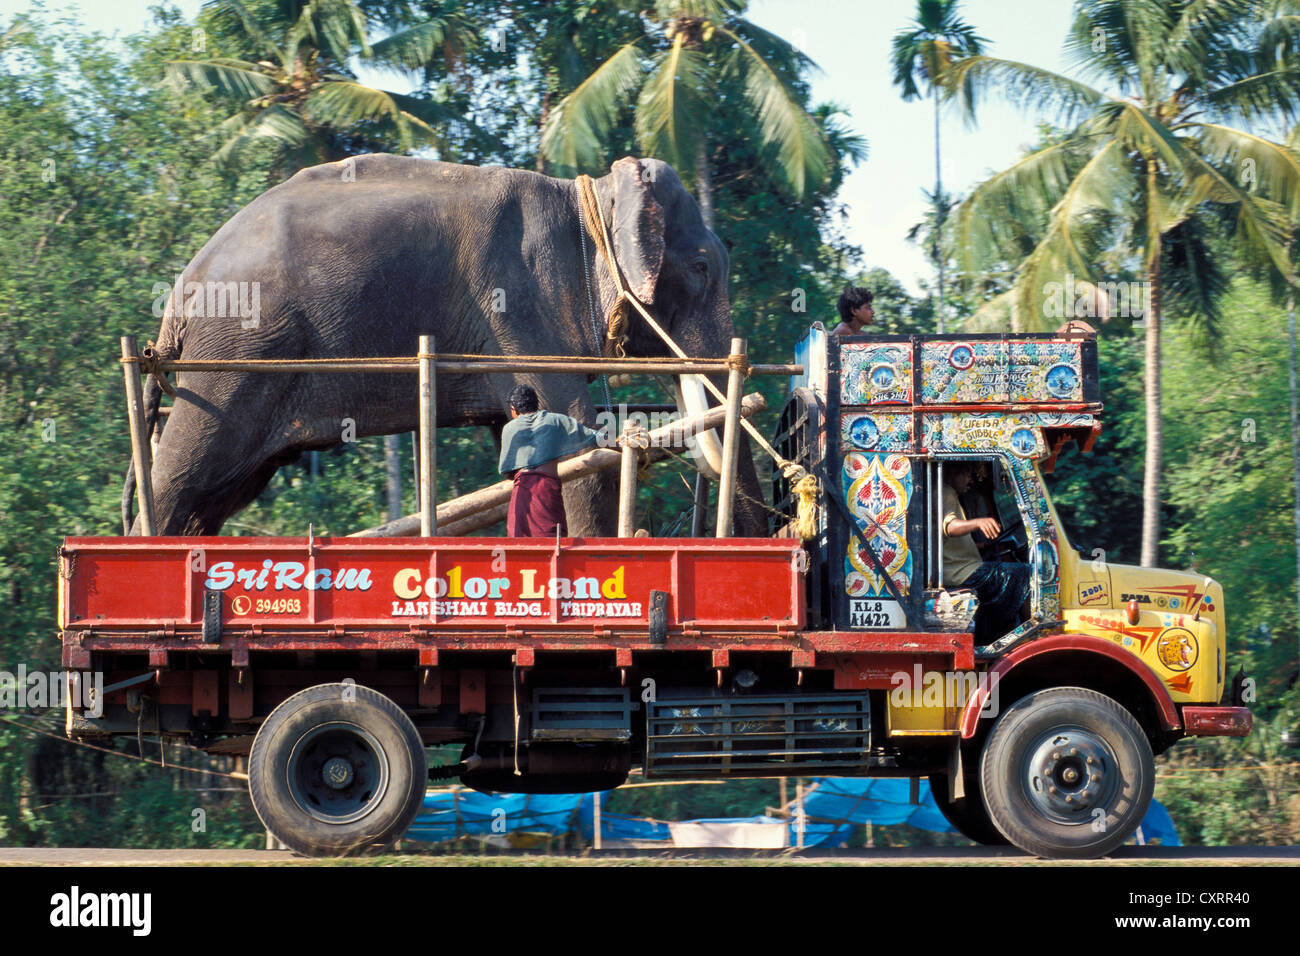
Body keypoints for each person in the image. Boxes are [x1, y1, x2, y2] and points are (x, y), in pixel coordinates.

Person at [941, 461, 1032, 639]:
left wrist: (981, 546)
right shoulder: (945, 492)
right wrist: (979, 522)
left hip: (959, 568)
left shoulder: (944, 493)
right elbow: (950, 527)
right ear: (952, 473)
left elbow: (944, 541)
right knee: (1025, 573)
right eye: (967, 474)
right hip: (960, 572)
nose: (970, 480)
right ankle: (1032, 632)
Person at [498, 385, 600, 536]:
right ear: (536, 403)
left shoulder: (509, 428)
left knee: (519, 540)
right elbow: (595, 436)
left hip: (522, 491)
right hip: (547, 489)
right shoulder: (556, 420)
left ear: (514, 408)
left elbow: (507, 471)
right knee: (551, 537)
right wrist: (621, 439)